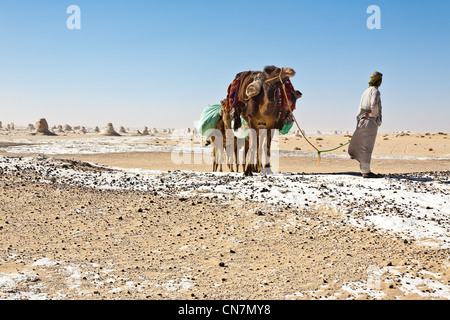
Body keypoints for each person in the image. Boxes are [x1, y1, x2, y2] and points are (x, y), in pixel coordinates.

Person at [348, 72, 383, 178]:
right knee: (367, 146)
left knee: (363, 145)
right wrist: (373, 114)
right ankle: (366, 172)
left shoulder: (366, 91)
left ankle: (364, 169)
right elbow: (374, 104)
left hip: (362, 120)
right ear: (378, 80)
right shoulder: (375, 91)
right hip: (370, 121)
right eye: (380, 79)